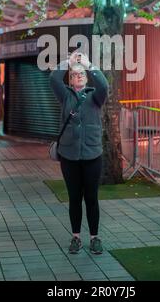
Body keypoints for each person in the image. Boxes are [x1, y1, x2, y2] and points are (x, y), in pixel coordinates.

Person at [50, 52, 109, 255]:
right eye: (74, 74)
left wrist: (88, 64)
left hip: (92, 154)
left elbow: (104, 85)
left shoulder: (95, 96)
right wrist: (68, 61)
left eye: (82, 73)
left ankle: (94, 238)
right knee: (74, 197)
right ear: (70, 78)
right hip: (69, 156)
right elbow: (53, 78)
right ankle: (76, 237)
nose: (78, 76)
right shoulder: (64, 95)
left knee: (91, 197)